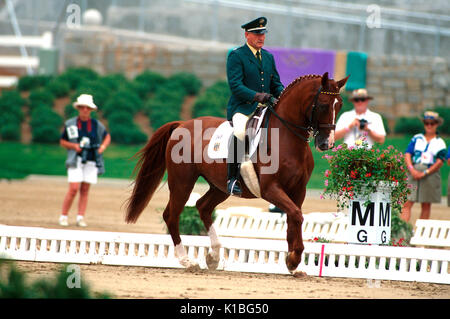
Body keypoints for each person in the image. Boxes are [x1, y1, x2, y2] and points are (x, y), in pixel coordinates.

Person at [226, 16, 284, 196]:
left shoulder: (268, 57)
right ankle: (232, 178)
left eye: (263, 34)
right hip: (243, 107)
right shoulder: (236, 55)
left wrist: (284, 94)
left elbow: (276, 83)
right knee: (240, 132)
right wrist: (259, 96)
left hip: (267, 107)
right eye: (257, 34)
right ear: (247, 34)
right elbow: (236, 86)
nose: (261, 37)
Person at [58, 94, 110, 227]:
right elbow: (63, 141)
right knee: (74, 188)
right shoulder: (70, 124)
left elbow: (107, 136)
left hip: (92, 159)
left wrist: (102, 147)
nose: (85, 110)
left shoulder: (96, 125)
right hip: (76, 159)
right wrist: (74, 146)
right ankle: (63, 215)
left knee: (85, 189)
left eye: (88, 107)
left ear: (91, 110)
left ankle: (80, 217)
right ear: (79, 108)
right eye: (82, 107)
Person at [401, 111, 447, 222]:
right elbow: (408, 154)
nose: (429, 126)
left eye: (432, 123)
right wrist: (411, 169)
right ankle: (402, 232)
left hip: (429, 173)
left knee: (426, 204)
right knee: (407, 202)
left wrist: (425, 172)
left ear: (437, 124)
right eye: (427, 123)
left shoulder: (440, 142)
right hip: (414, 169)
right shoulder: (417, 138)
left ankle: (420, 232)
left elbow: (440, 161)